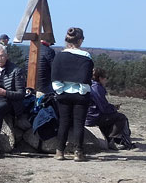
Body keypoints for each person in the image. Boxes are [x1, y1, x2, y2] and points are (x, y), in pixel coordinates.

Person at [51, 27, 93, 162]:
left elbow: (55, 77)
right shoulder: (86, 57)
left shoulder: (60, 56)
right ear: (80, 40)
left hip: (63, 94)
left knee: (63, 122)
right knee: (78, 124)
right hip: (80, 95)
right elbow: (86, 78)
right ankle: (78, 152)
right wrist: (81, 91)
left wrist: (60, 90)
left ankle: (59, 151)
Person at [86, 68, 133, 149]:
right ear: (100, 78)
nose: (106, 80)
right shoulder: (97, 88)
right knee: (121, 117)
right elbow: (103, 108)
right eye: (105, 78)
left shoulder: (89, 85)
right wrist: (114, 108)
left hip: (88, 115)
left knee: (110, 116)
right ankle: (113, 140)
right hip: (93, 117)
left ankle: (110, 137)